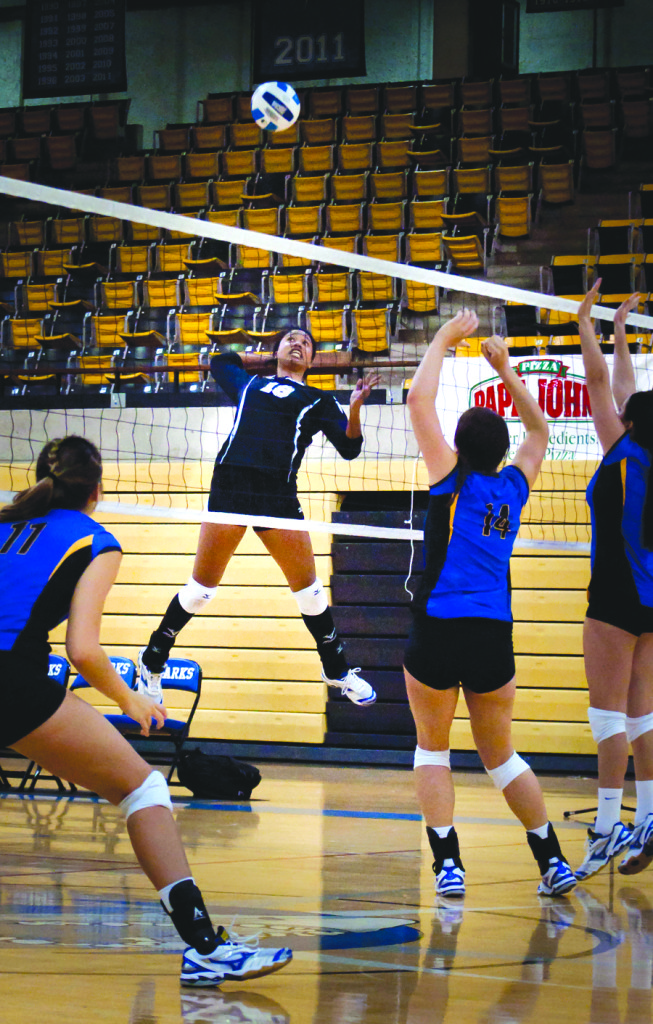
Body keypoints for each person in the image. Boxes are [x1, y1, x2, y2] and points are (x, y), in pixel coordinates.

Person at [0, 435, 292, 986]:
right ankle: (205, 947)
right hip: (12, 681)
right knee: (145, 790)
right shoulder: (94, 539)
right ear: (97, 488)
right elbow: (82, 650)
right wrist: (129, 698)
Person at [404, 311, 576, 899]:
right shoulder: (513, 487)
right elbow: (540, 433)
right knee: (500, 756)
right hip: (491, 632)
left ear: (458, 445)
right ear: (502, 451)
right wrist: (504, 369)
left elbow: (418, 402)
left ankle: (448, 864)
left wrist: (445, 338)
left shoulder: (450, 479)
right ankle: (551, 858)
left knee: (433, 747)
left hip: (438, 625)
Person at [139, 328, 379, 706]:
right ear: (276, 349)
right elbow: (221, 362)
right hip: (232, 483)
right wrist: (267, 359)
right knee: (201, 591)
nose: (299, 344)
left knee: (310, 593)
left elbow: (350, 448)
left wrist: (355, 409)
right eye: (291, 340)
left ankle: (336, 671)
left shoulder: (318, 399)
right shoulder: (249, 385)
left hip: (276, 493)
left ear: (313, 361)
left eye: (306, 344)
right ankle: (152, 659)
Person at [575, 283, 653, 879]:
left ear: (628, 423)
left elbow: (603, 385)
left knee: (609, 718)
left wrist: (585, 324)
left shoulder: (621, 451)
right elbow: (623, 390)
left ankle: (605, 829)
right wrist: (622, 333)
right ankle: (649, 816)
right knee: (643, 715)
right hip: (651, 598)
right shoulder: (641, 449)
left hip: (615, 596)